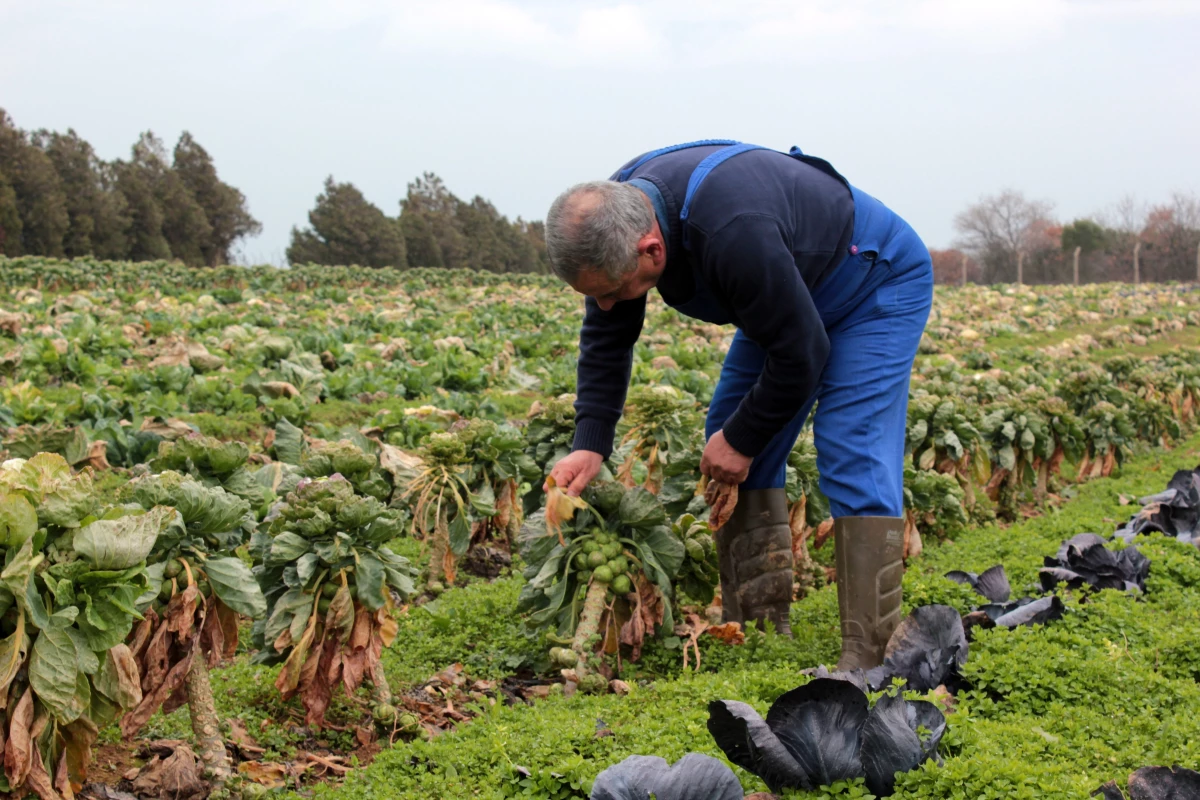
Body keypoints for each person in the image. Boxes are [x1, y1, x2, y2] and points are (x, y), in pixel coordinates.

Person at [542, 140, 933, 671]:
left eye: (613, 290)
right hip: (784, 292)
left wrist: (745, 439)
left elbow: (802, 354)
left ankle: (869, 657)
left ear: (651, 250)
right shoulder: (615, 215)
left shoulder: (731, 230)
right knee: (725, 438)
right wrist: (590, 444)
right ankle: (762, 631)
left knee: (849, 444)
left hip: (873, 282)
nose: (606, 305)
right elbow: (608, 336)